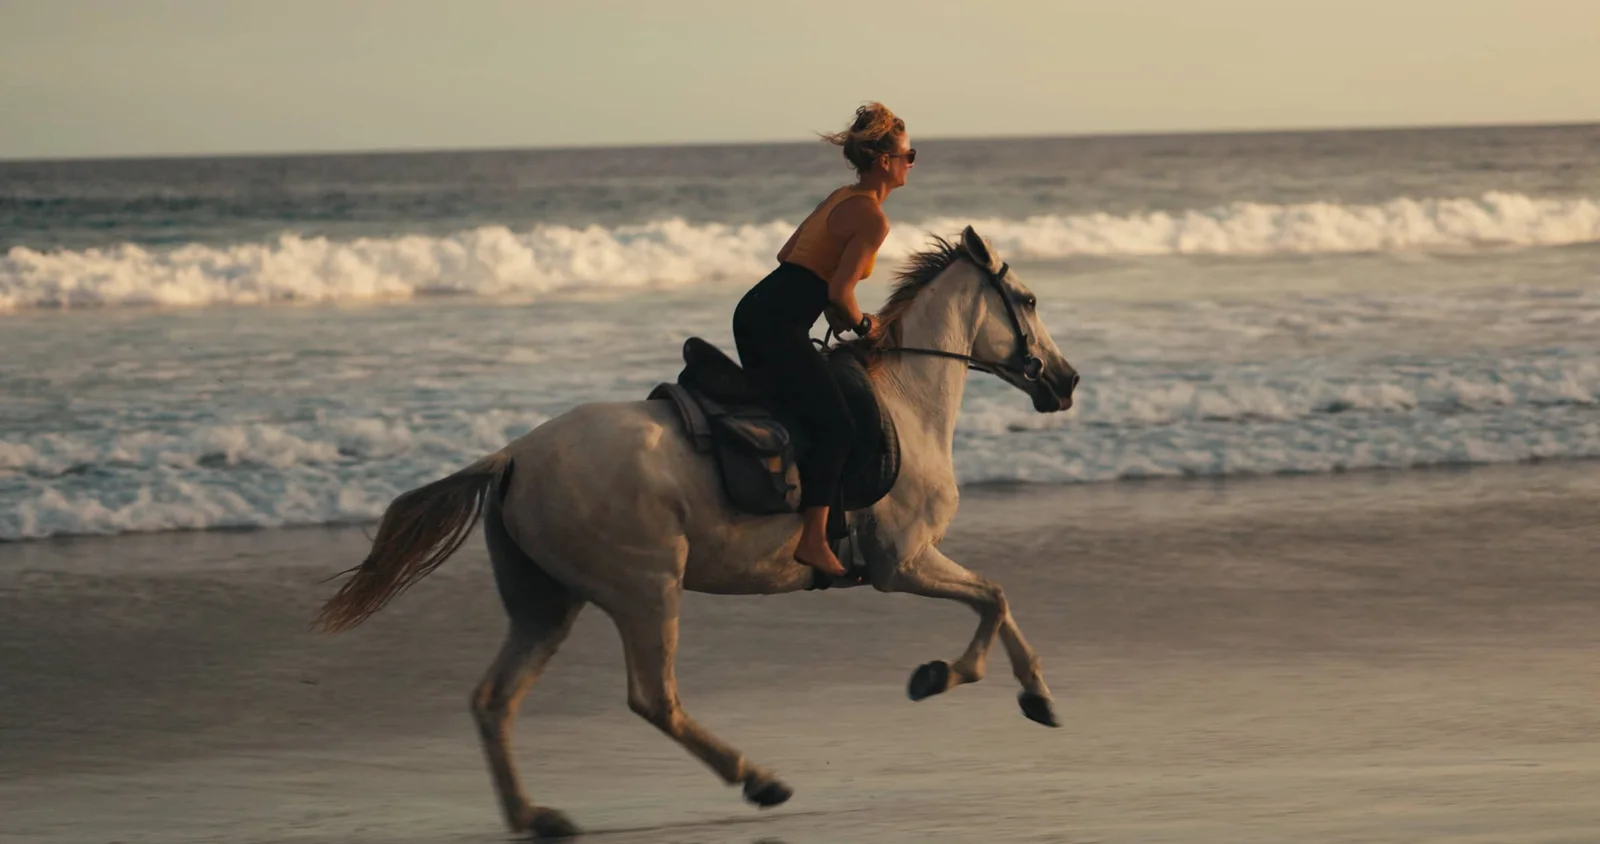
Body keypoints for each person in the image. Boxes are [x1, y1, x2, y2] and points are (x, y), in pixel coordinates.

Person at [732, 102, 916, 578]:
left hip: (756, 310)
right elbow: (839, 292)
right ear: (885, 162)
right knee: (838, 426)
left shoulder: (840, 196)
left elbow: (788, 255)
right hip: (778, 325)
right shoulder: (873, 218)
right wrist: (866, 326)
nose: (911, 163)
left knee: (803, 409)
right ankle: (813, 540)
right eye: (909, 155)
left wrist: (830, 304)